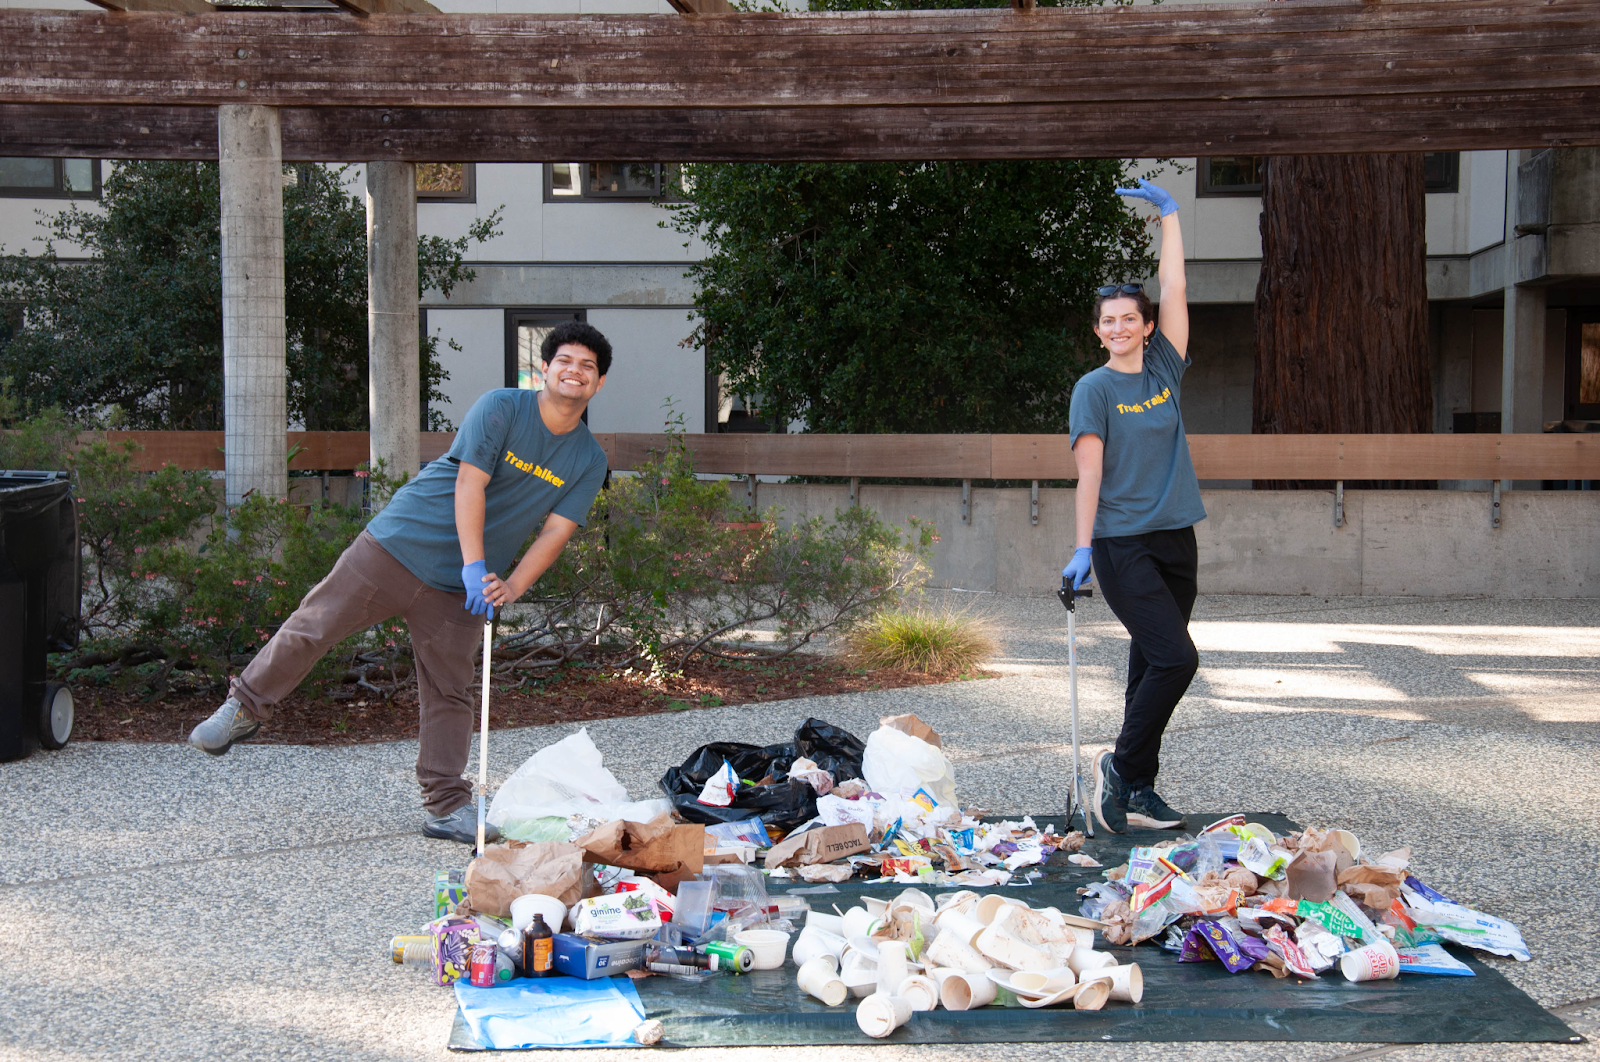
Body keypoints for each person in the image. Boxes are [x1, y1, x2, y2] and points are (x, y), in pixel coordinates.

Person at [187, 321, 612, 844]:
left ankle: (446, 806)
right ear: (544, 368)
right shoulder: (502, 407)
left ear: (599, 383)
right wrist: (474, 563)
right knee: (313, 625)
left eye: (587, 367)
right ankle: (244, 708)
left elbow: (556, 530)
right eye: (565, 361)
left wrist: (514, 585)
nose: (575, 372)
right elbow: (469, 482)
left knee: (449, 690)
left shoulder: (588, 459)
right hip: (397, 545)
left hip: (460, 590)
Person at [1064, 178, 1205, 835]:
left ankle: (1137, 789)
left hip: (1176, 537)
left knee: (1151, 662)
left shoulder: (1163, 371)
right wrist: (1083, 548)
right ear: (1098, 332)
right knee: (1178, 659)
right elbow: (1088, 471)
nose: (1119, 327)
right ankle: (1120, 767)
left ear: (1146, 327)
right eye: (1108, 320)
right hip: (1122, 545)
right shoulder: (1092, 389)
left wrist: (1169, 216)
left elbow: (1175, 289)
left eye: (1129, 318)